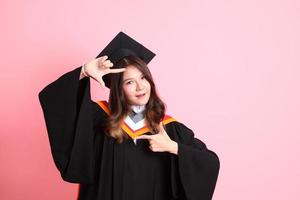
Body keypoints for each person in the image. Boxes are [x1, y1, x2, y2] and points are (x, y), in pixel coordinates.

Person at [38, 32, 220, 200]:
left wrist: (173, 147)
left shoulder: (168, 128)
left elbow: (209, 163)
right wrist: (84, 71)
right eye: (129, 82)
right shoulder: (98, 119)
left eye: (143, 78)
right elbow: (57, 102)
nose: (140, 87)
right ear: (118, 89)